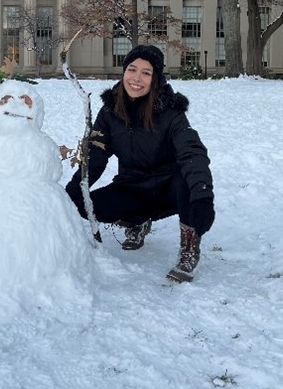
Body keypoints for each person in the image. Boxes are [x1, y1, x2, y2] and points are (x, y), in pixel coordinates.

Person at [65, 45, 214, 282]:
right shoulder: (110, 112)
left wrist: (203, 196)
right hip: (132, 186)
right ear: (123, 72)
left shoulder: (171, 111)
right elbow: (96, 156)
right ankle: (137, 221)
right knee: (86, 204)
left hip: (168, 188)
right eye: (132, 69)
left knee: (186, 180)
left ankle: (189, 248)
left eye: (146, 72)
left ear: (156, 79)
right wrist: (74, 189)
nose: (137, 78)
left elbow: (192, 152)